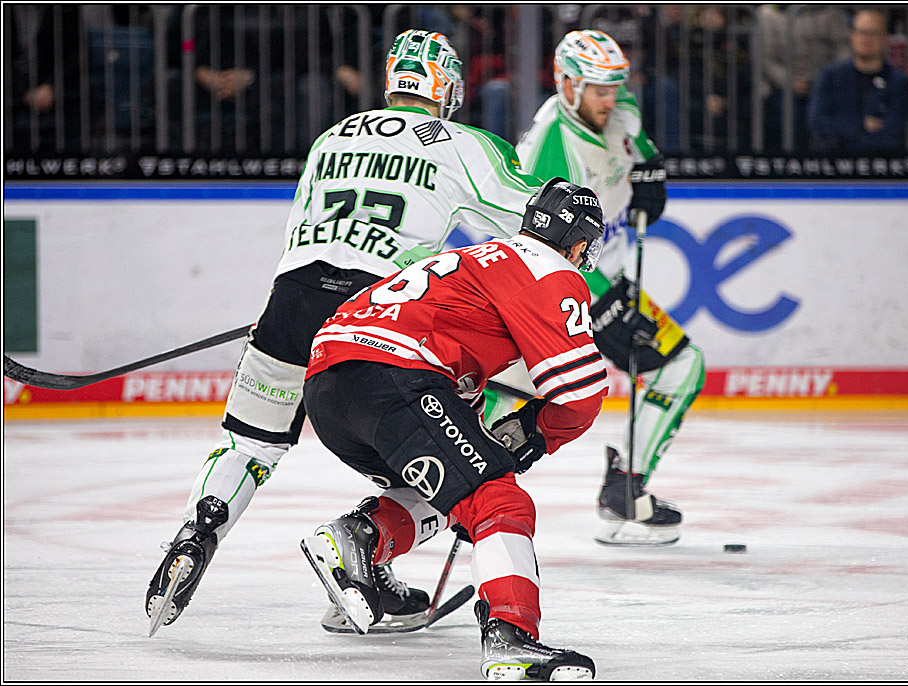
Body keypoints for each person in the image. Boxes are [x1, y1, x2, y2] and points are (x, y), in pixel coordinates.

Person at [146, 29, 546, 636]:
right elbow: (532, 219)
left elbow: (299, 229)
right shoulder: (458, 142)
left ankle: (196, 534)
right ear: (443, 87)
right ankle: (366, 549)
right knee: (454, 458)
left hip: (291, 297)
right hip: (374, 321)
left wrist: (282, 307)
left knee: (251, 447)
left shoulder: (334, 135)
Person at [300, 178, 608, 679]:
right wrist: (535, 433)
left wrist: (493, 439)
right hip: (394, 378)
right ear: (577, 242)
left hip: (329, 388)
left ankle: (360, 540)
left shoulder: (474, 256)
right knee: (498, 500)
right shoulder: (550, 270)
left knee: (458, 492)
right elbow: (581, 394)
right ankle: (511, 637)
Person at [515, 29, 706, 547]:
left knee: (679, 366)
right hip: (555, 292)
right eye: (598, 89)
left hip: (603, 279)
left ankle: (626, 486)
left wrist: (650, 178)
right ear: (567, 84)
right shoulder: (549, 148)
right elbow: (536, 248)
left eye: (615, 87)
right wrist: (600, 299)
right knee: (506, 407)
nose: (610, 98)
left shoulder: (619, 112)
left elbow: (642, 154)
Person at [807, 9, 908, 154]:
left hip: (881, 165)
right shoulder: (830, 75)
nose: (866, 39)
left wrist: (844, 135)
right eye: (861, 32)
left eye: (873, 33)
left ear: (885, 39)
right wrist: (862, 126)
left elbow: (892, 132)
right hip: (834, 163)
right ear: (852, 36)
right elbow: (817, 122)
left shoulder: (899, 82)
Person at [757, 4, 851, 152]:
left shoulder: (833, 13)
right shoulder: (768, 14)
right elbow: (767, 60)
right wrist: (790, 81)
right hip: (784, 86)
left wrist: (826, 80)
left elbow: (844, 51)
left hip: (827, 84)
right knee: (787, 113)